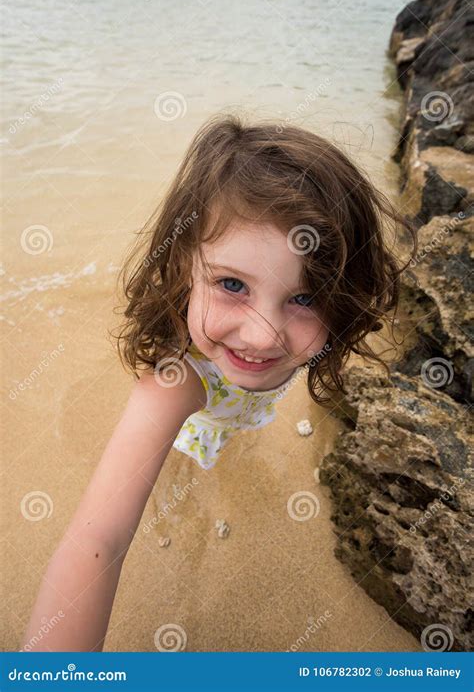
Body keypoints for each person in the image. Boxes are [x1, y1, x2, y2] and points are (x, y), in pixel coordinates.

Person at [21, 113, 417, 651]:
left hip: (241, 409)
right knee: (188, 451)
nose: (262, 334)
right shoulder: (174, 382)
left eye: (304, 297)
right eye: (232, 284)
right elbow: (99, 538)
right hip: (204, 412)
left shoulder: (316, 333)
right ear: (185, 265)